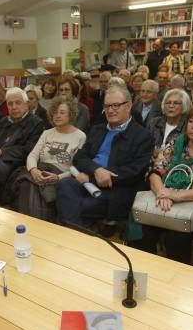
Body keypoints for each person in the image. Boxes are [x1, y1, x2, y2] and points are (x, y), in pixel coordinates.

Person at [128, 102, 193, 264]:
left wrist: (174, 195)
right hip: (162, 200)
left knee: (177, 236)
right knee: (141, 230)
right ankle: (143, 272)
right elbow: (156, 172)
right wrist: (163, 192)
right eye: (191, 121)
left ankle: (175, 281)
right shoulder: (176, 143)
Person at [56, 85, 152, 225]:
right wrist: (96, 170)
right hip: (86, 181)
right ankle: (73, 238)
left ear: (129, 106)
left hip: (115, 191)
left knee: (72, 205)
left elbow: (134, 172)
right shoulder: (97, 130)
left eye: (116, 105)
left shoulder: (142, 136)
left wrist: (92, 177)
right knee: (64, 184)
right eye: (107, 106)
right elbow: (79, 158)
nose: (110, 110)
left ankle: (67, 238)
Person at [12, 98, 86, 220]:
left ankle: (31, 225)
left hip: (62, 177)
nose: (57, 115)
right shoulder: (47, 133)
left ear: (71, 114)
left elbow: (78, 167)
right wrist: (33, 170)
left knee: (33, 189)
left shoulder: (80, 136)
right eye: (55, 112)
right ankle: (34, 225)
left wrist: (58, 178)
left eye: (62, 112)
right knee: (27, 184)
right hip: (39, 172)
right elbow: (33, 155)